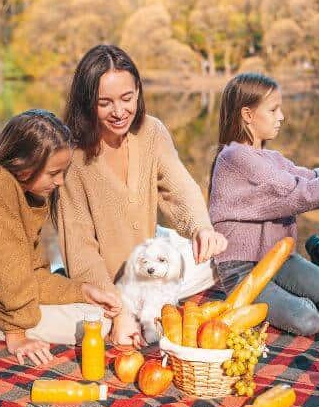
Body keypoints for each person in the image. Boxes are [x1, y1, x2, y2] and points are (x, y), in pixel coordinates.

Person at [0, 110, 122, 367]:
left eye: (63, 172)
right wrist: (16, 335)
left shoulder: (16, 185)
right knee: (97, 322)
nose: (60, 182)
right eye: (53, 173)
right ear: (22, 162)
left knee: (79, 294)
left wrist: (81, 291)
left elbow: (28, 271)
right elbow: (9, 272)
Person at [57, 44, 227, 347]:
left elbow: (180, 187)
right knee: (99, 321)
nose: (120, 112)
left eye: (127, 98)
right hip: (106, 281)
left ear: (138, 91)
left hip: (151, 259)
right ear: (86, 103)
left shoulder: (152, 131)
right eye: (105, 103)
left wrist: (201, 227)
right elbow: (81, 248)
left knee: (227, 251)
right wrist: (119, 311)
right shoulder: (71, 156)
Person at [208, 73, 319, 336]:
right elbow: (303, 194)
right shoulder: (234, 157)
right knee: (307, 319)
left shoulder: (272, 159)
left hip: (282, 260)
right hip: (243, 270)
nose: (281, 116)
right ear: (248, 115)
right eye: (273, 109)